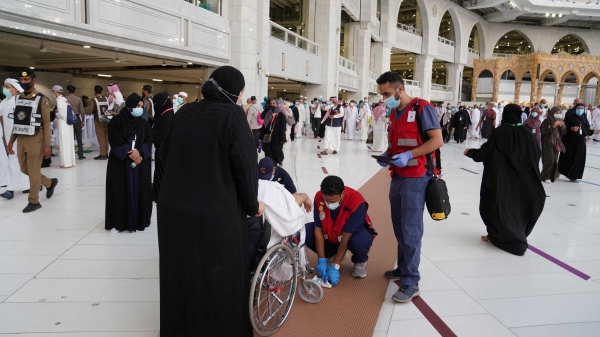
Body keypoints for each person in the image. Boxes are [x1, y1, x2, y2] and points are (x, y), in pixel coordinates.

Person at [155, 66, 263, 337]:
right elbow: (246, 167)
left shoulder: (184, 112)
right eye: (241, 92)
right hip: (216, 212)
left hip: (173, 211)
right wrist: (252, 206)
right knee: (218, 275)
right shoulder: (232, 115)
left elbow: (163, 158)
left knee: (180, 271)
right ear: (235, 91)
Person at [374, 71, 443, 303]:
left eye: (386, 93)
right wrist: (387, 155)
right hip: (398, 175)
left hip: (416, 177)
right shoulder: (394, 113)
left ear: (399, 89)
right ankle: (403, 268)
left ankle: (411, 281)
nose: (384, 99)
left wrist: (409, 155)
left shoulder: (422, 108)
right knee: (400, 227)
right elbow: (396, 143)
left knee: (411, 229)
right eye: (381, 95)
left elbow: (437, 140)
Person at [464, 104, 545, 255]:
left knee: (497, 207)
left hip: (502, 181)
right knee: (518, 208)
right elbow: (537, 154)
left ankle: (497, 235)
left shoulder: (500, 132)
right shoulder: (527, 134)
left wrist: (470, 152)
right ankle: (516, 235)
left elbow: (485, 152)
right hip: (523, 182)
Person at [5, 69, 58, 213]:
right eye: (21, 80)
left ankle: (34, 201)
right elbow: (18, 120)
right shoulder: (19, 98)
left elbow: (47, 123)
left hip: (36, 138)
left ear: (33, 80)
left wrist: (47, 144)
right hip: (21, 137)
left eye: (26, 80)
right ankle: (49, 183)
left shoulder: (42, 99)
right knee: (24, 169)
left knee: (33, 171)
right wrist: (11, 141)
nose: (24, 82)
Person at [305, 175, 375, 283]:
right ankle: (332, 255)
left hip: (352, 233)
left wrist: (335, 266)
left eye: (333, 202)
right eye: (326, 201)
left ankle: (359, 261)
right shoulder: (319, 196)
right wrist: (321, 259)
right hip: (333, 233)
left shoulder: (356, 202)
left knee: (360, 242)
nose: (329, 204)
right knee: (305, 232)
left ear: (342, 193)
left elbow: (346, 236)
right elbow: (318, 229)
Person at [105, 93, 152, 233]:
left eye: (142, 106)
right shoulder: (116, 121)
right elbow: (115, 141)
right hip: (120, 164)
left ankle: (139, 221)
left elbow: (149, 141)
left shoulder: (143, 123)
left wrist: (140, 152)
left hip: (140, 163)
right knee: (120, 192)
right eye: (138, 106)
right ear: (130, 105)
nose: (140, 109)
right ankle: (119, 222)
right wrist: (131, 154)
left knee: (140, 191)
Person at [0, 79, 30, 199]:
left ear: (16, 88)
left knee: (21, 161)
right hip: (9, 137)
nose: (5, 89)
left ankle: (18, 187)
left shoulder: (22, 100)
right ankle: (17, 187)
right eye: (4, 86)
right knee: (14, 161)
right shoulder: (5, 102)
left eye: (7, 86)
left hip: (21, 136)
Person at [150, 93, 174, 201]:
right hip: (161, 149)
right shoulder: (163, 114)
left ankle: (161, 194)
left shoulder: (167, 117)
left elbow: (163, 135)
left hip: (164, 150)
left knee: (162, 173)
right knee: (159, 172)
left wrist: (150, 134)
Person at [559, 102, 591, 182]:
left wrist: (593, 132)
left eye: (581, 109)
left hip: (580, 142)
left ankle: (574, 176)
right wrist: (571, 129)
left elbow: (586, 130)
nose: (580, 110)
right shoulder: (569, 118)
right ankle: (564, 172)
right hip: (570, 141)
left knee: (579, 158)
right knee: (569, 157)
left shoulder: (584, 119)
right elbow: (563, 129)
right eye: (578, 108)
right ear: (575, 109)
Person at [52, 85, 76, 168]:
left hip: (63, 123)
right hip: (68, 124)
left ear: (55, 91)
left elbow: (62, 114)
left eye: (53, 91)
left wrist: (56, 114)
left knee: (64, 143)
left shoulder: (59, 100)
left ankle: (66, 163)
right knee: (69, 142)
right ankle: (70, 162)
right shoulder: (65, 99)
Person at [540, 106, 567, 184]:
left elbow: (564, 132)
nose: (558, 115)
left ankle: (552, 175)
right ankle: (546, 176)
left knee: (555, 160)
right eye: (556, 113)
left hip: (556, 143)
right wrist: (553, 126)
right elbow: (544, 132)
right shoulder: (546, 121)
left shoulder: (561, 121)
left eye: (559, 113)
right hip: (548, 143)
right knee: (550, 160)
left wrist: (561, 127)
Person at [260, 99, 287, 166]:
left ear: (277, 104)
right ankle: (270, 164)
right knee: (268, 150)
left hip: (277, 137)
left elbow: (283, 128)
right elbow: (264, 126)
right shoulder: (268, 114)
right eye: (271, 103)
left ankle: (279, 160)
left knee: (276, 150)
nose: (272, 104)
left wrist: (282, 139)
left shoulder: (281, 116)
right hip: (267, 136)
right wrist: (261, 137)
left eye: (274, 103)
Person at [86, 85, 110, 160]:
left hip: (98, 121)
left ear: (94, 92)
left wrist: (87, 112)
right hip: (107, 120)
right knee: (106, 137)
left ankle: (102, 154)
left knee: (101, 137)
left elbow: (90, 111)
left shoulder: (94, 100)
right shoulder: (106, 99)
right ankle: (106, 153)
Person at [65, 85, 86, 160]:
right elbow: (82, 110)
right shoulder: (78, 99)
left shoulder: (65, 99)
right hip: (77, 118)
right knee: (79, 137)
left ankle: (70, 155)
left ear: (67, 90)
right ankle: (81, 155)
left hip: (68, 119)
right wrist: (83, 119)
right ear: (74, 91)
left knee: (69, 138)